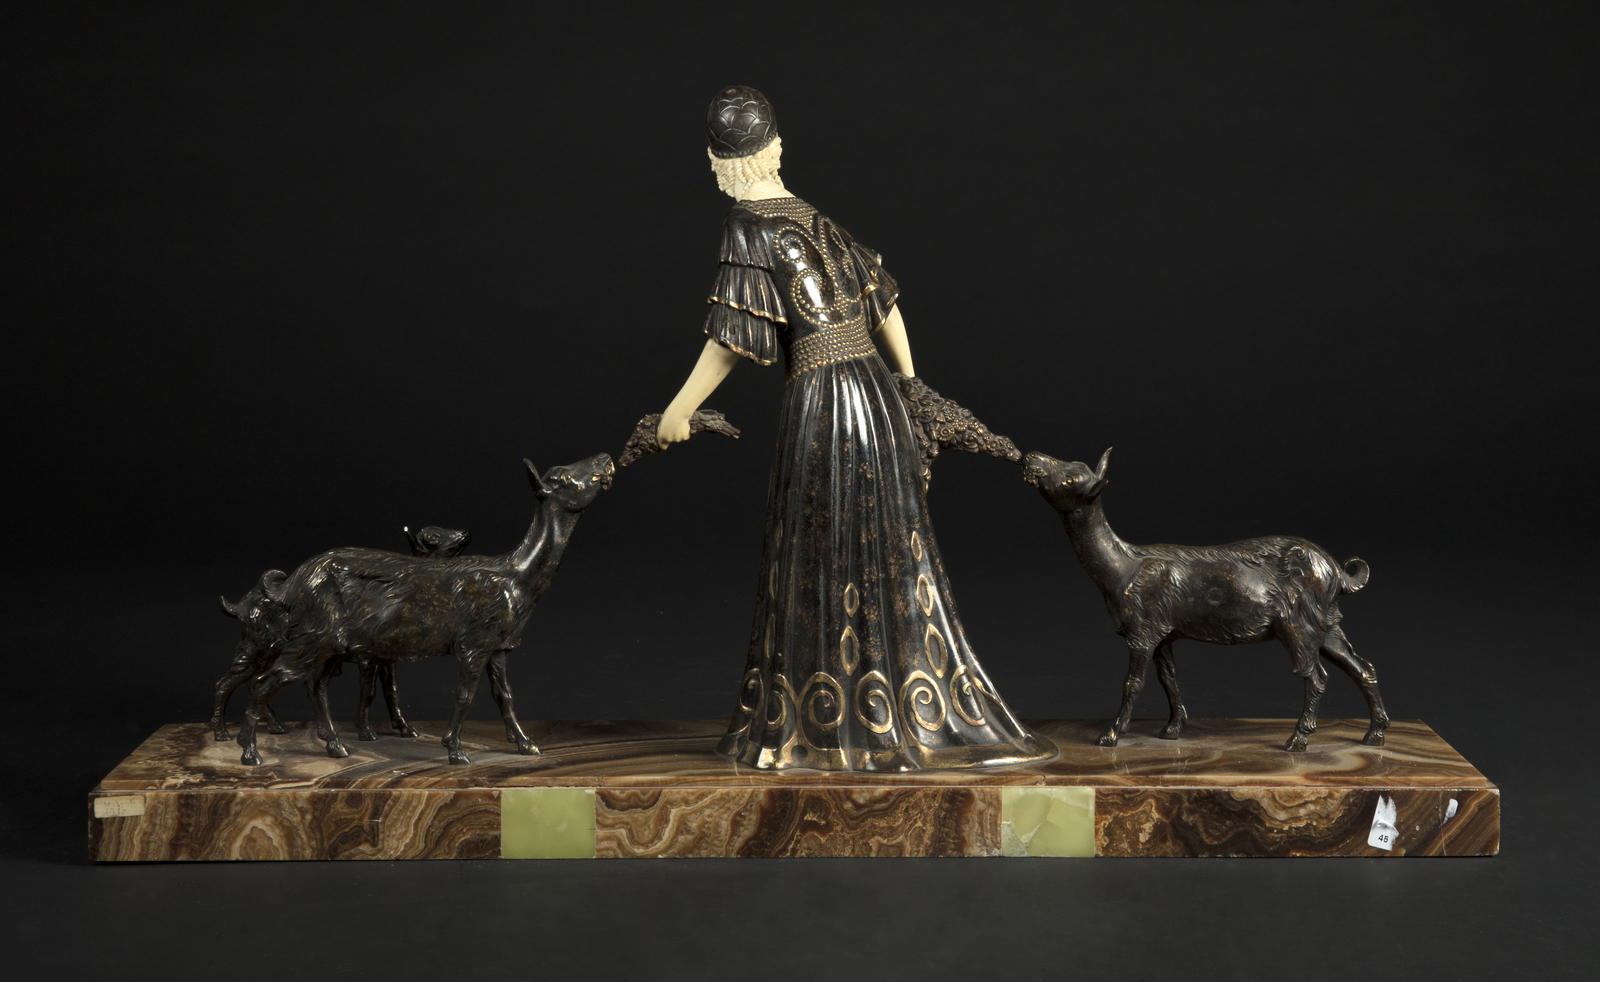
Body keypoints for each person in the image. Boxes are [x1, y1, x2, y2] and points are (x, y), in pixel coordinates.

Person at [657, 85, 1055, 771]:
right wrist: (908, 384)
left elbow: (729, 339)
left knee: (822, 548)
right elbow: (885, 306)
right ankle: (898, 713)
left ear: (719, 162)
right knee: (888, 550)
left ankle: (829, 728)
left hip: (824, 401)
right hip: (876, 392)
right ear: (776, 148)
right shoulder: (814, 216)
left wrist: (679, 407)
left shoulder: (748, 226)